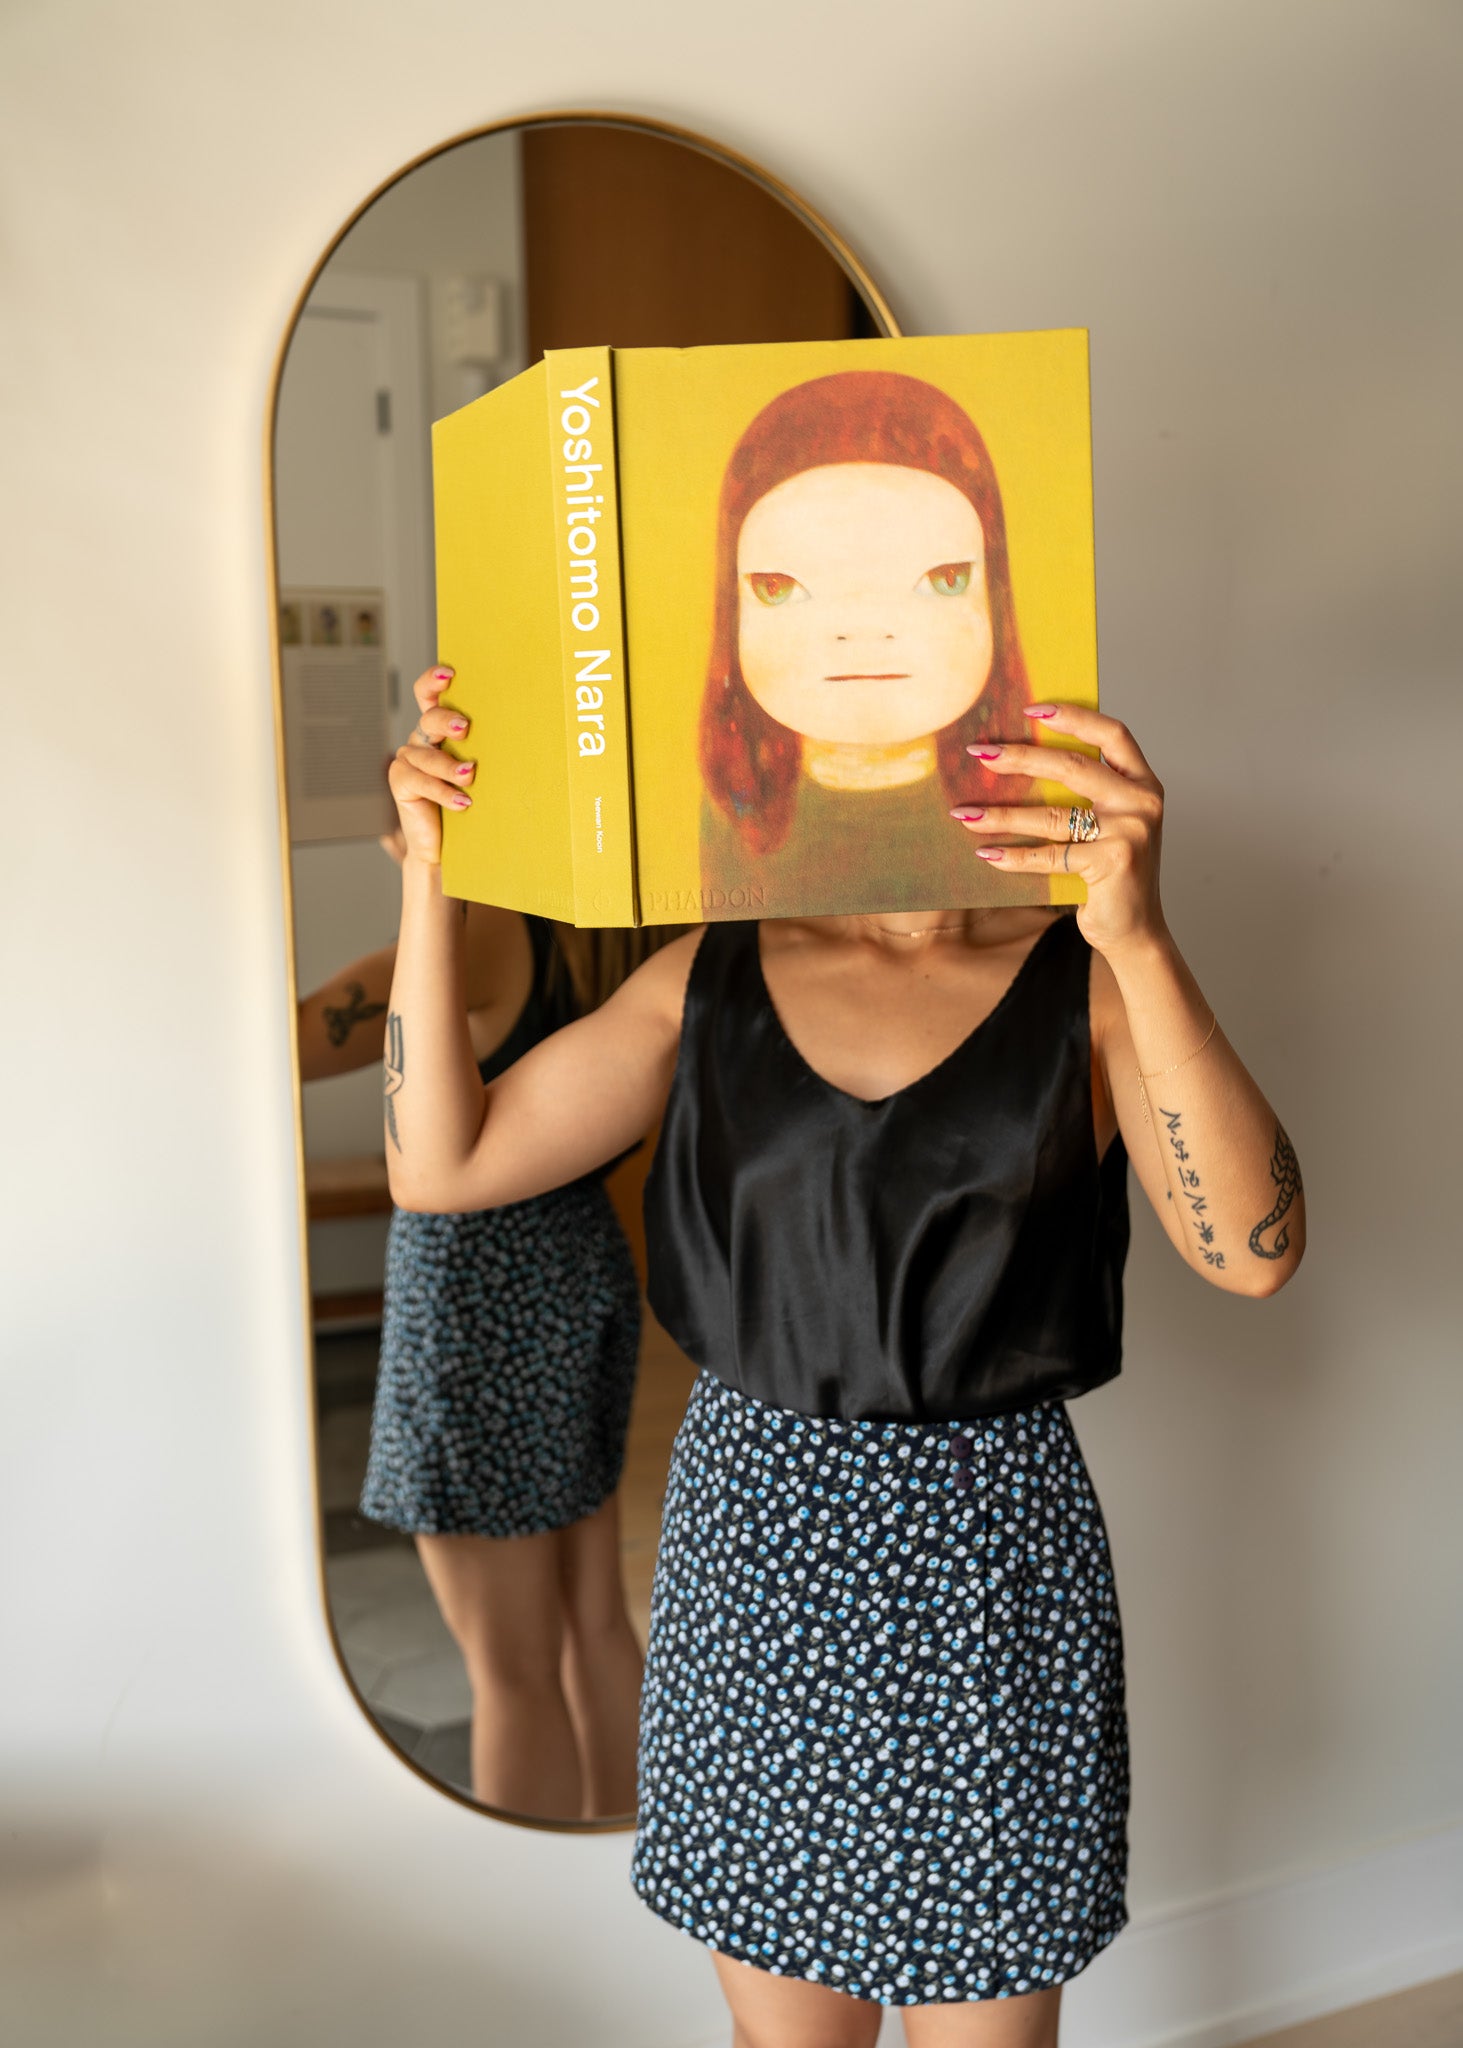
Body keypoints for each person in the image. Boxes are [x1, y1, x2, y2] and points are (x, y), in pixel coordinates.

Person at [385, 662, 1304, 2047]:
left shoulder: (1089, 985)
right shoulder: (709, 975)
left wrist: (1139, 938)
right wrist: (430, 876)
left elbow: (1250, 1251)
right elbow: (441, 1167)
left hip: (989, 1569)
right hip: (755, 1552)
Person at [297, 831, 658, 1820]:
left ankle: (537, 1875)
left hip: (479, 1286)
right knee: (593, 1622)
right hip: (576, 1257)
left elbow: (294, 1038)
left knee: (509, 1667)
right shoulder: (617, 935)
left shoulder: (484, 931)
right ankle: (629, 1856)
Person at [699, 370, 1042, 919]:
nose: (864, 631)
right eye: (779, 588)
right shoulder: (737, 814)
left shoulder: (1023, 807)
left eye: (943, 580)